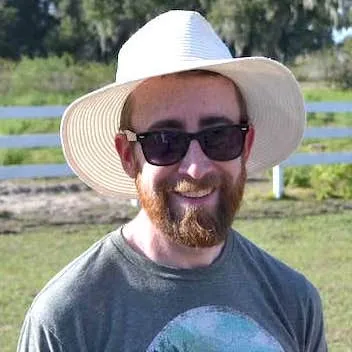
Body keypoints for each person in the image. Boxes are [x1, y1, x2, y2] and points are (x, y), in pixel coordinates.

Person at [17, 10, 327, 352]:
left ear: (246, 145)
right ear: (127, 155)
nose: (196, 168)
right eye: (164, 141)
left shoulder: (294, 300)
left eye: (219, 137)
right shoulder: (68, 319)